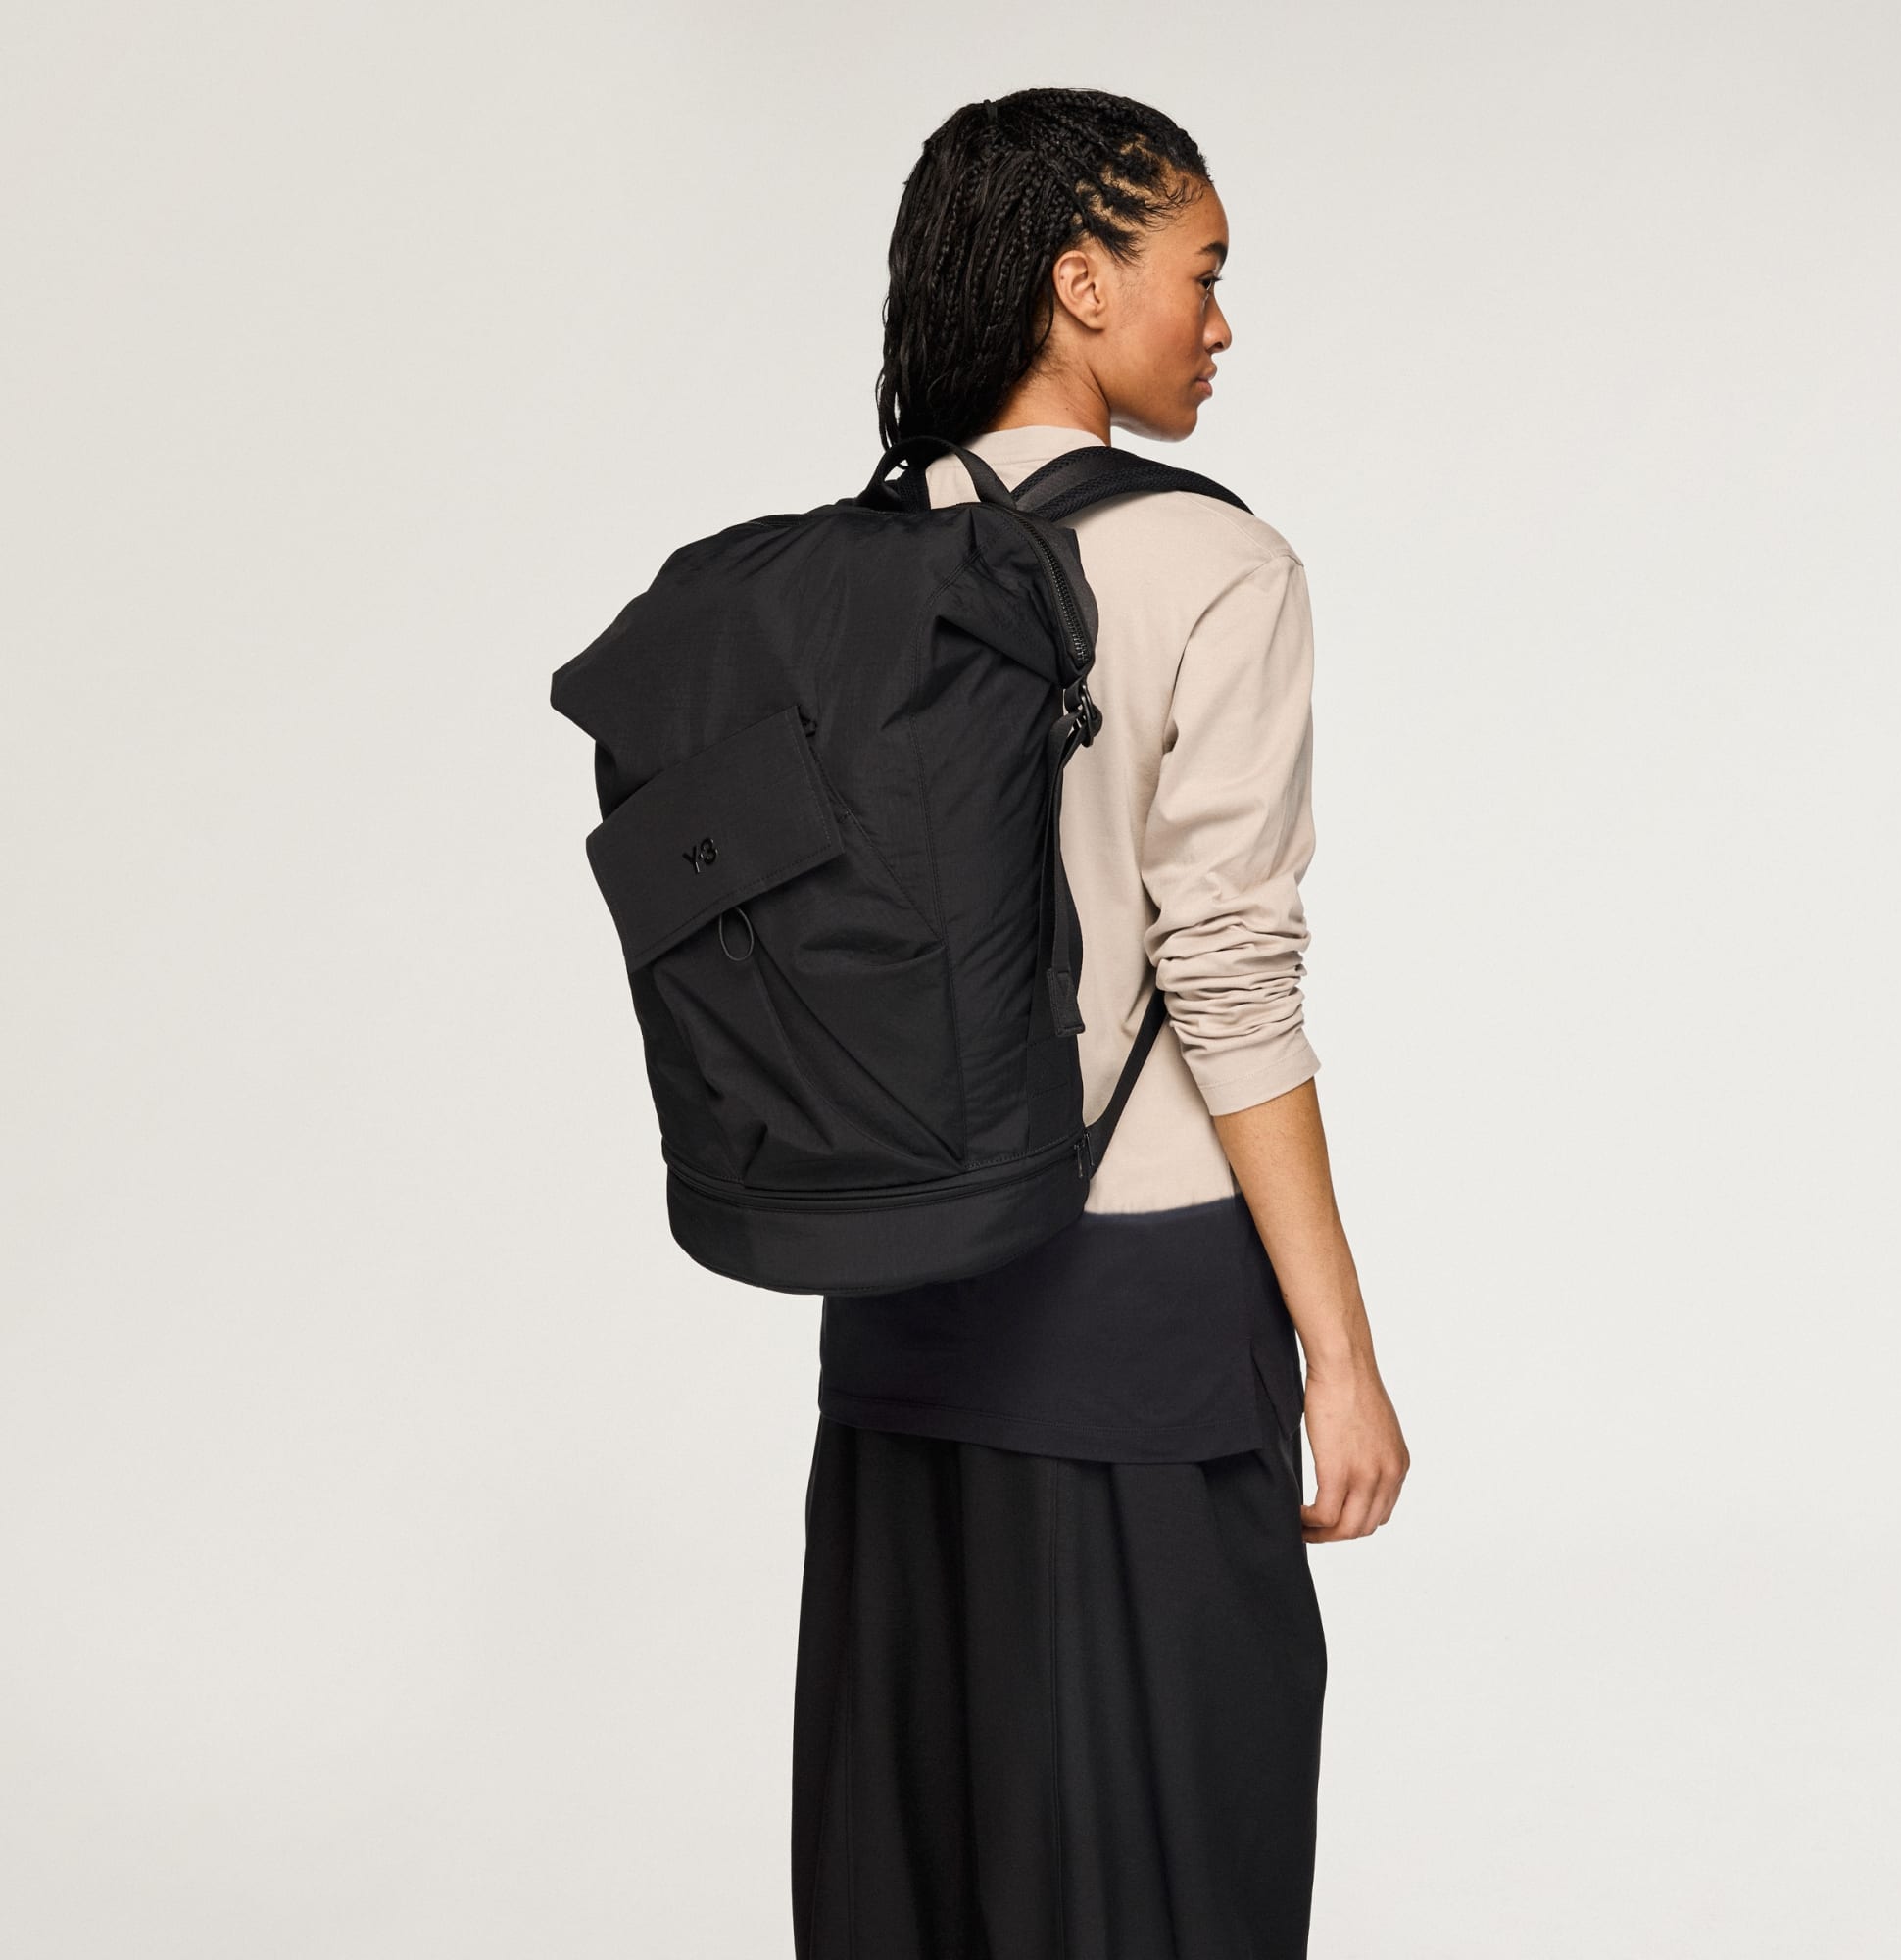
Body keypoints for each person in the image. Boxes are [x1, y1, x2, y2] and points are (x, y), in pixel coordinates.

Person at [792, 87, 1411, 1959]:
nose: (1221, 323)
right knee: (1173, 1870)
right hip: (1140, 1310)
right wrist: (1340, 1354)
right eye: (1200, 274)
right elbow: (1227, 974)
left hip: (899, 1287)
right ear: (1081, 283)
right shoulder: (1217, 566)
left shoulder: (844, 569)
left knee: (927, 1866)